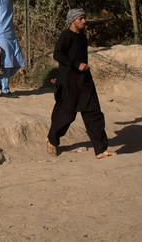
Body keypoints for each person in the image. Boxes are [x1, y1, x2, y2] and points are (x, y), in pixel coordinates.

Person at [47, 9, 114, 159]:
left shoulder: (82, 37)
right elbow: (58, 54)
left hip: (84, 80)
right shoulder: (66, 36)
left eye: (84, 18)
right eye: (80, 19)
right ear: (72, 21)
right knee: (66, 115)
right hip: (69, 81)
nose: (84, 21)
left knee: (94, 112)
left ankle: (101, 149)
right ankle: (52, 140)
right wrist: (76, 65)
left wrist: (80, 67)